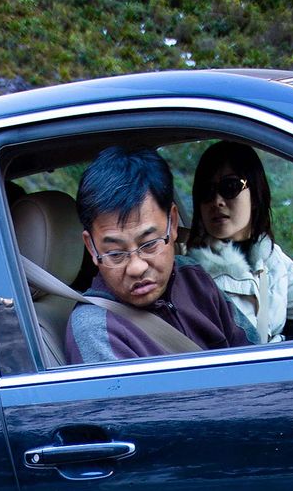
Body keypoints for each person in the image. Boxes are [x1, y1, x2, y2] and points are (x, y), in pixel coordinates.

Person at [65, 146, 258, 365]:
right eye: (116, 253)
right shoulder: (96, 329)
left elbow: (253, 352)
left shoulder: (192, 276)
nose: (136, 267)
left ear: (173, 223)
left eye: (149, 244)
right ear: (91, 247)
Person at [185, 141, 293, 343]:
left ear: (255, 195)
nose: (217, 201)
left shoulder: (270, 256)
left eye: (230, 186)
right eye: (206, 191)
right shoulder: (195, 279)